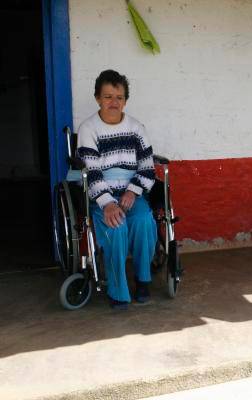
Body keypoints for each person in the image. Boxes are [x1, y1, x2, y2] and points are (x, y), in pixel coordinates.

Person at [77, 69, 157, 310]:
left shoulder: (136, 128)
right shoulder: (88, 129)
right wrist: (108, 202)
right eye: (108, 96)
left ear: (125, 100)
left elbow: (147, 167)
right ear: (98, 98)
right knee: (117, 226)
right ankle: (117, 290)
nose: (114, 102)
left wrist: (132, 192)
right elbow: (91, 172)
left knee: (143, 220)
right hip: (102, 196)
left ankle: (143, 279)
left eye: (119, 97)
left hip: (131, 192)